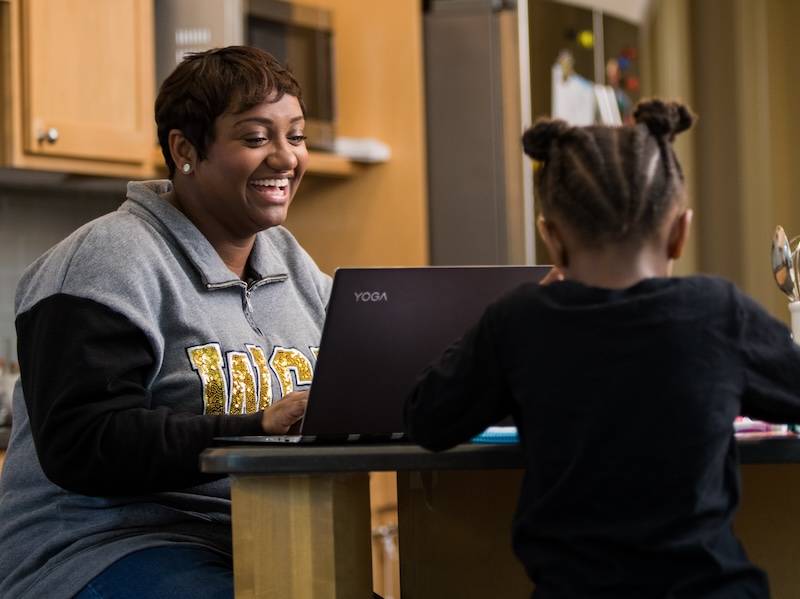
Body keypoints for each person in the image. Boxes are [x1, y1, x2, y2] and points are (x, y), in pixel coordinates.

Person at [405, 99, 800, 598]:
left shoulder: (520, 321)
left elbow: (427, 419)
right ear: (680, 231)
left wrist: (502, 319)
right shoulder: (716, 312)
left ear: (551, 238)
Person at [0, 46, 331, 599]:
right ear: (185, 150)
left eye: (295, 136)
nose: (285, 158)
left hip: (251, 541)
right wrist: (258, 428)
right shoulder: (109, 260)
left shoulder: (292, 265)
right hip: (101, 548)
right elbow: (83, 442)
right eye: (255, 138)